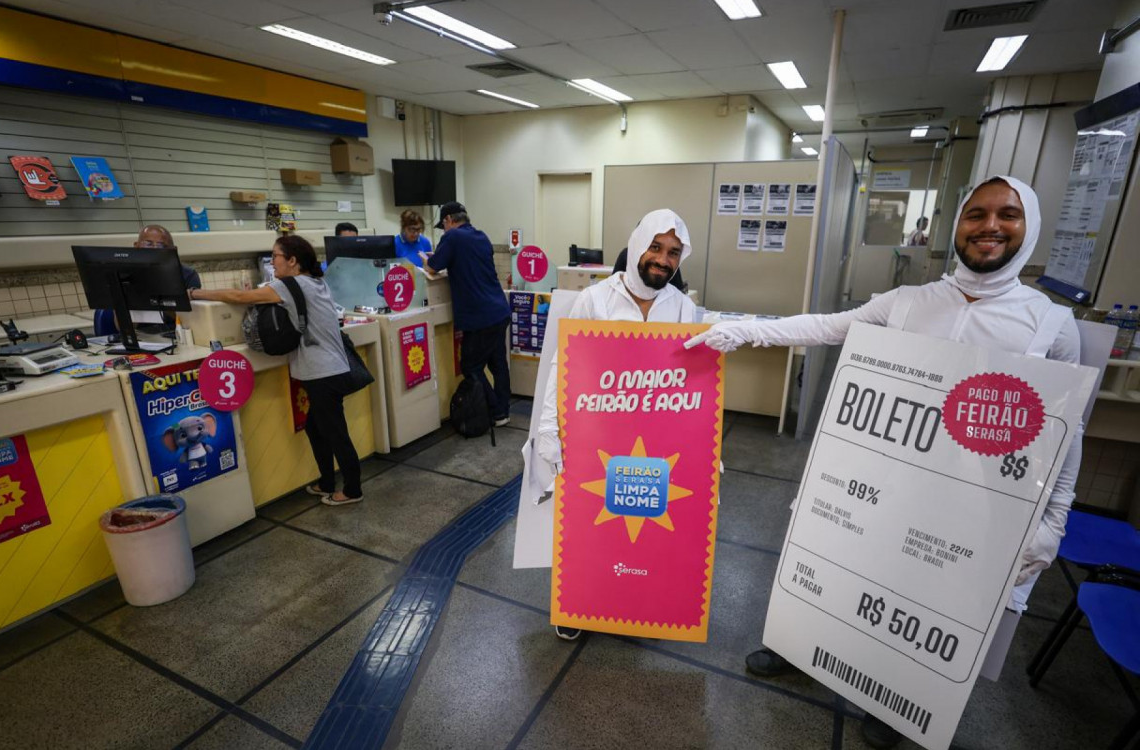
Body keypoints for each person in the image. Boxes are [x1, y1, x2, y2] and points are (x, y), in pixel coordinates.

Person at [686, 175, 1082, 749]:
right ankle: (800, 647)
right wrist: (744, 332)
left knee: (925, 593)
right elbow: (823, 327)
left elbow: (1071, 431)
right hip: (881, 479)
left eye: (1008, 215)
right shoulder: (910, 303)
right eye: (976, 214)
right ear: (958, 225)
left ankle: (895, 694)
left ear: (1030, 226)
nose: (990, 226)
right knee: (842, 559)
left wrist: (1055, 521)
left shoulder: (1050, 325)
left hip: (968, 503)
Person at [534, 208, 698, 641]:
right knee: (587, 526)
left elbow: (696, 383)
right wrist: (548, 430)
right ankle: (576, 606)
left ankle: (632, 605)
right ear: (640, 244)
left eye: (674, 253)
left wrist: (707, 449)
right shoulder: (596, 300)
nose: (663, 260)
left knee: (642, 525)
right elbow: (561, 364)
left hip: (656, 440)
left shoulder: (684, 309)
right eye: (657, 248)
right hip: (597, 436)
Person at [191, 235, 363, 506]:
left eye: (276, 256)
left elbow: (238, 296)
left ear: (292, 261)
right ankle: (327, 481)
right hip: (331, 367)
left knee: (335, 433)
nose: (273, 262)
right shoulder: (318, 283)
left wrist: (194, 293)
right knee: (316, 429)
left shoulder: (289, 285)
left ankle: (353, 490)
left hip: (322, 373)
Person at [423, 201, 512, 427]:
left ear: (448, 221)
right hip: (498, 310)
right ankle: (503, 410)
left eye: (443, 226)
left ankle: (493, 410)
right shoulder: (481, 236)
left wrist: (426, 259)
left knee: (471, 366)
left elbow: (432, 267)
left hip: (479, 316)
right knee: (498, 364)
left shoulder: (452, 238)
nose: (444, 230)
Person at [135, 224, 201, 289]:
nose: (154, 249)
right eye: (148, 244)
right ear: (136, 246)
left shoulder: (187, 275)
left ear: (174, 250)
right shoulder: (127, 273)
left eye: (161, 245)